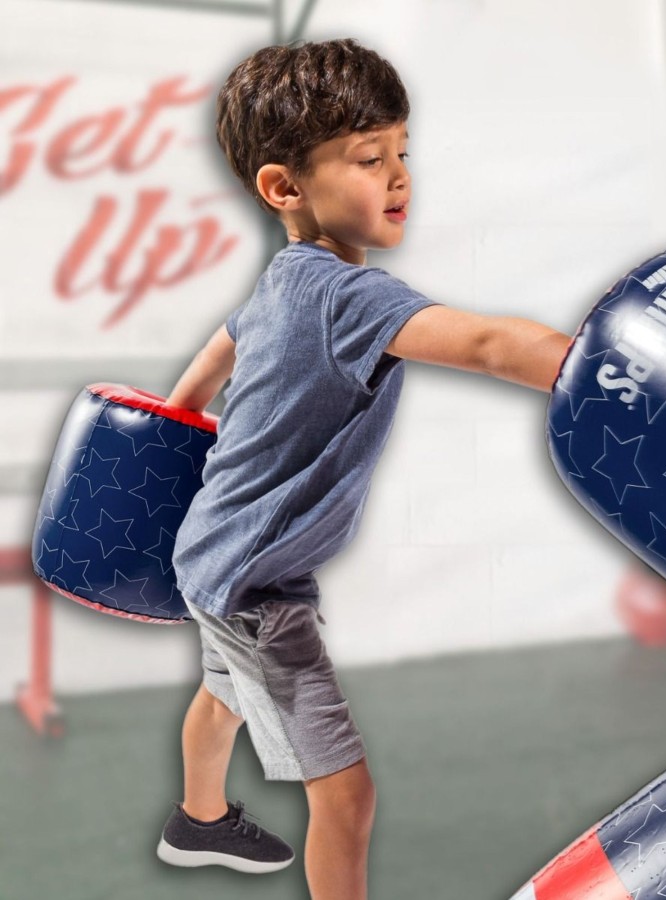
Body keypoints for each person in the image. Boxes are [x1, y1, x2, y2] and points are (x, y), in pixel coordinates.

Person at [158, 38, 570, 900]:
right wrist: (608, 375)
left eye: (401, 154)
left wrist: (181, 407)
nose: (397, 178)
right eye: (367, 159)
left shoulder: (289, 280)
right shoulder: (347, 297)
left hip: (212, 553)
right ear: (285, 188)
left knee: (222, 692)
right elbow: (493, 345)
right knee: (345, 796)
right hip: (257, 588)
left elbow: (225, 340)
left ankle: (196, 821)